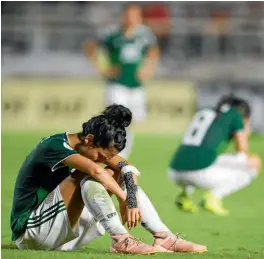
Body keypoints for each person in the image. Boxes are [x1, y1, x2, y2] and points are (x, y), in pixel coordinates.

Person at [11, 104, 207, 253]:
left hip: (63, 232)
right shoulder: (54, 145)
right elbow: (96, 171)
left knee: (115, 173)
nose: (102, 160)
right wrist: (123, 199)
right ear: (88, 139)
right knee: (86, 175)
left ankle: (163, 236)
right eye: (100, 155)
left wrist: (130, 199)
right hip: (32, 234)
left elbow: (127, 168)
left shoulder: (90, 145)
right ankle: (121, 239)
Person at [85, 3, 159, 159]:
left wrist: (148, 69)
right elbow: (90, 47)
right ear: (124, 16)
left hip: (136, 85)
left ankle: (122, 153)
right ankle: (102, 148)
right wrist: (102, 68)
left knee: (131, 122)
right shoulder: (112, 33)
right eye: (130, 15)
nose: (132, 19)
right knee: (115, 119)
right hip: (117, 84)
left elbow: (153, 51)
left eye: (136, 15)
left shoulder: (144, 35)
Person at [169, 95, 262, 216]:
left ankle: (184, 195)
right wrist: (245, 132)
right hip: (199, 173)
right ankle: (213, 198)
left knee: (202, 156)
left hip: (174, 171)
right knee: (254, 162)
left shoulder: (204, 112)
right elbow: (242, 150)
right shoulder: (234, 114)